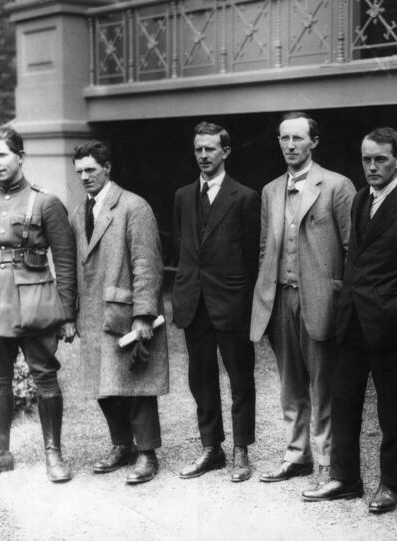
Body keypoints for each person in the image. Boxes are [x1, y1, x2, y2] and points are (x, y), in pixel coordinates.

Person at [302, 127, 397, 514]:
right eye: (367, 159)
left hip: (390, 325)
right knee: (344, 400)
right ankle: (345, 478)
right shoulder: (361, 198)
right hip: (352, 321)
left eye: (380, 159)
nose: (372, 166)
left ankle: (390, 483)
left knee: (392, 408)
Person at [0, 127, 77, 482]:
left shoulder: (44, 202)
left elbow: (65, 261)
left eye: (2, 155)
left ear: (20, 157)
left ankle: (53, 454)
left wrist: (67, 315)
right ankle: (0, 453)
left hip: (34, 303)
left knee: (45, 377)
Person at [251, 112, 355, 484]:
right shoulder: (270, 190)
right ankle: (297, 455)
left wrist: (341, 297)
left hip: (321, 301)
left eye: (298, 138)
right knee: (290, 384)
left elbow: (352, 248)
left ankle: (327, 460)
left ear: (314, 142)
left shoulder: (337, 185)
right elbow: (265, 249)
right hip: (280, 298)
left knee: (324, 385)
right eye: (284, 138)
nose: (290, 145)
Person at [70, 141, 169, 484]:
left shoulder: (133, 206)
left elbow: (147, 263)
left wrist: (144, 313)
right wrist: (70, 314)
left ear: (108, 168)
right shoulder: (79, 212)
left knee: (137, 382)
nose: (85, 177)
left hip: (125, 310)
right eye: (79, 171)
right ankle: (122, 444)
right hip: (92, 311)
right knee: (104, 387)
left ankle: (147, 453)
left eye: (91, 170)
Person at [172, 121, 260, 482]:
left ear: (225, 152)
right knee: (201, 378)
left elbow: (252, 256)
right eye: (198, 149)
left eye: (210, 149)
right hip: (194, 303)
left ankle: (241, 449)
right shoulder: (183, 196)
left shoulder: (245, 197)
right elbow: (182, 247)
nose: (203, 155)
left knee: (241, 378)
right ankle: (212, 448)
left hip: (231, 303)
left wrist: (243, 299)